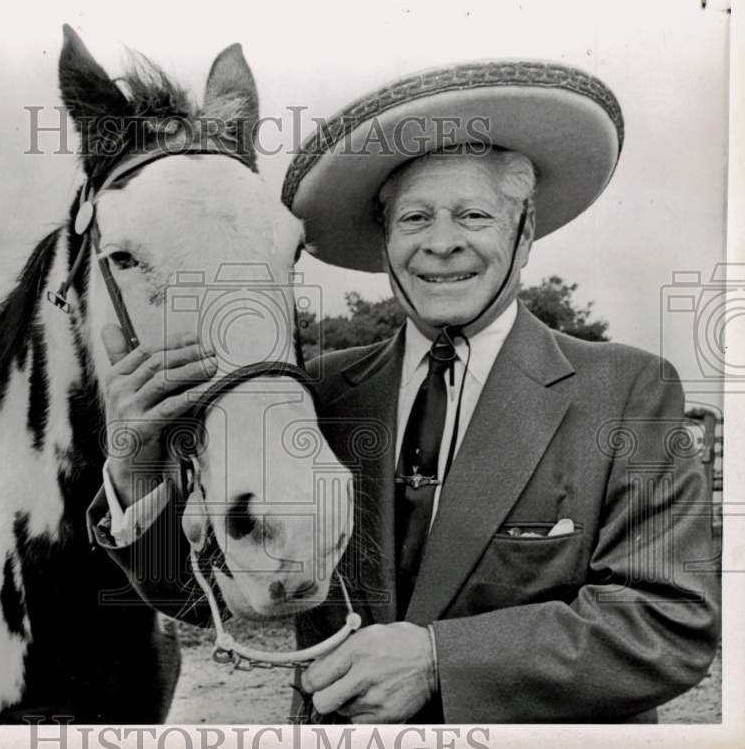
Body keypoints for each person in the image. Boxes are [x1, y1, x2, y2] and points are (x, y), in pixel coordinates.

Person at [88, 60, 720, 723]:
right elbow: (205, 595)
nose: (441, 243)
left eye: (472, 214)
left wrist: (439, 660)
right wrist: (134, 470)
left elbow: (669, 622)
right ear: (385, 240)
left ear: (524, 230)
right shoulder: (318, 395)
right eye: (415, 218)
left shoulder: (627, 391)